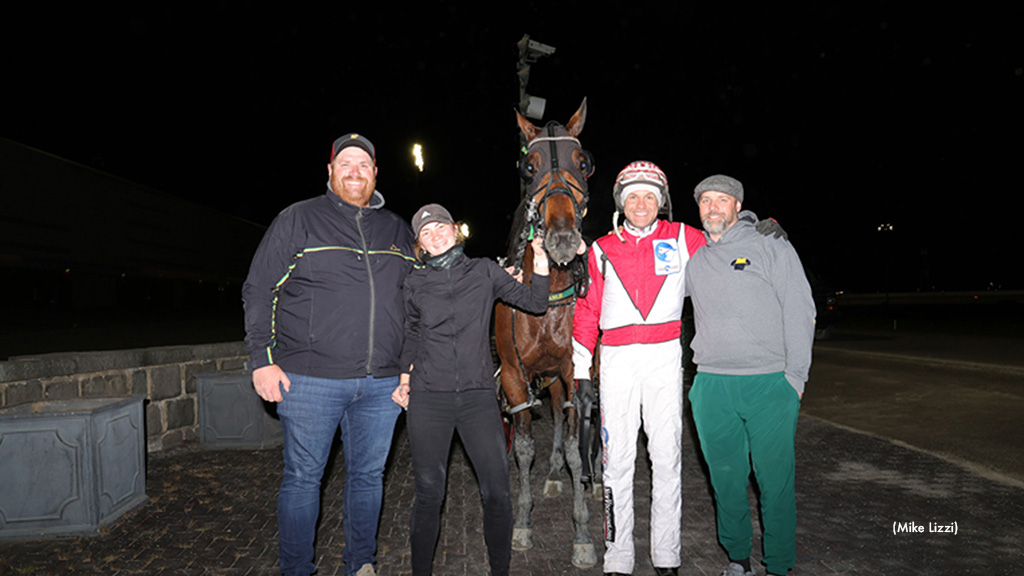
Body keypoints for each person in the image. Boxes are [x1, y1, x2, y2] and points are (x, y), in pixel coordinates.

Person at [242, 133, 417, 576]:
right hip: (308, 379)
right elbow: (259, 289)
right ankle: (297, 568)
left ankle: (361, 562)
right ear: (330, 171)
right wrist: (261, 360)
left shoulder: (397, 228)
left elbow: (419, 300)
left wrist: (408, 368)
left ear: (376, 172)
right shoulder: (299, 218)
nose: (354, 171)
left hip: (381, 384)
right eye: (346, 164)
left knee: (368, 478)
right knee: (303, 480)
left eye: (363, 164)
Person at [391, 203, 550, 576]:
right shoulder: (414, 282)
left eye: (440, 228)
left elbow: (535, 302)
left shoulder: (484, 271)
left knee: (497, 492)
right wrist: (404, 379)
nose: (435, 236)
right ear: (421, 245)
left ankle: (500, 570)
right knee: (429, 493)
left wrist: (540, 261)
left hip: (478, 398)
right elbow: (412, 333)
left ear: (455, 230)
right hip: (429, 399)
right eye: (426, 233)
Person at [572, 161, 706, 576]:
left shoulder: (686, 237)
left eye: (650, 196)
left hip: (665, 358)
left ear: (661, 201)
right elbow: (586, 310)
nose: (641, 203)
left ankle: (667, 558)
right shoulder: (600, 250)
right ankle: (618, 558)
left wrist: (756, 226)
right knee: (618, 463)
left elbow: (728, 246)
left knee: (667, 460)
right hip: (616, 363)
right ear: (621, 203)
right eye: (633, 196)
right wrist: (580, 372)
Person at [685, 175, 815, 576]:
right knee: (725, 483)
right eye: (705, 201)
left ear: (737, 206)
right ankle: (738, 559)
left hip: (769, 383)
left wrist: (794, 378)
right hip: (711, 386)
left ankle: (778, 564)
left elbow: (800, 309)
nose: (712, 208)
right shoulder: (693, 258)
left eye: (721, 200)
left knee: (774, 483)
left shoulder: (770, 243)